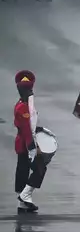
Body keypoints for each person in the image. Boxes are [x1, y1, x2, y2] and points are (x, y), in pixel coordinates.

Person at [14, 70, 51, 213]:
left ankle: (22, 202)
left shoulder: (24, 104)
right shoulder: (23, 107)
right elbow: (26, 130)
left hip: (23, 142)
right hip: (25, 143)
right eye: (28, 89)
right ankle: (25, 195)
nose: (31, 91)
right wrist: (34, 147)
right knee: (40, 167)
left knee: (23, 170)